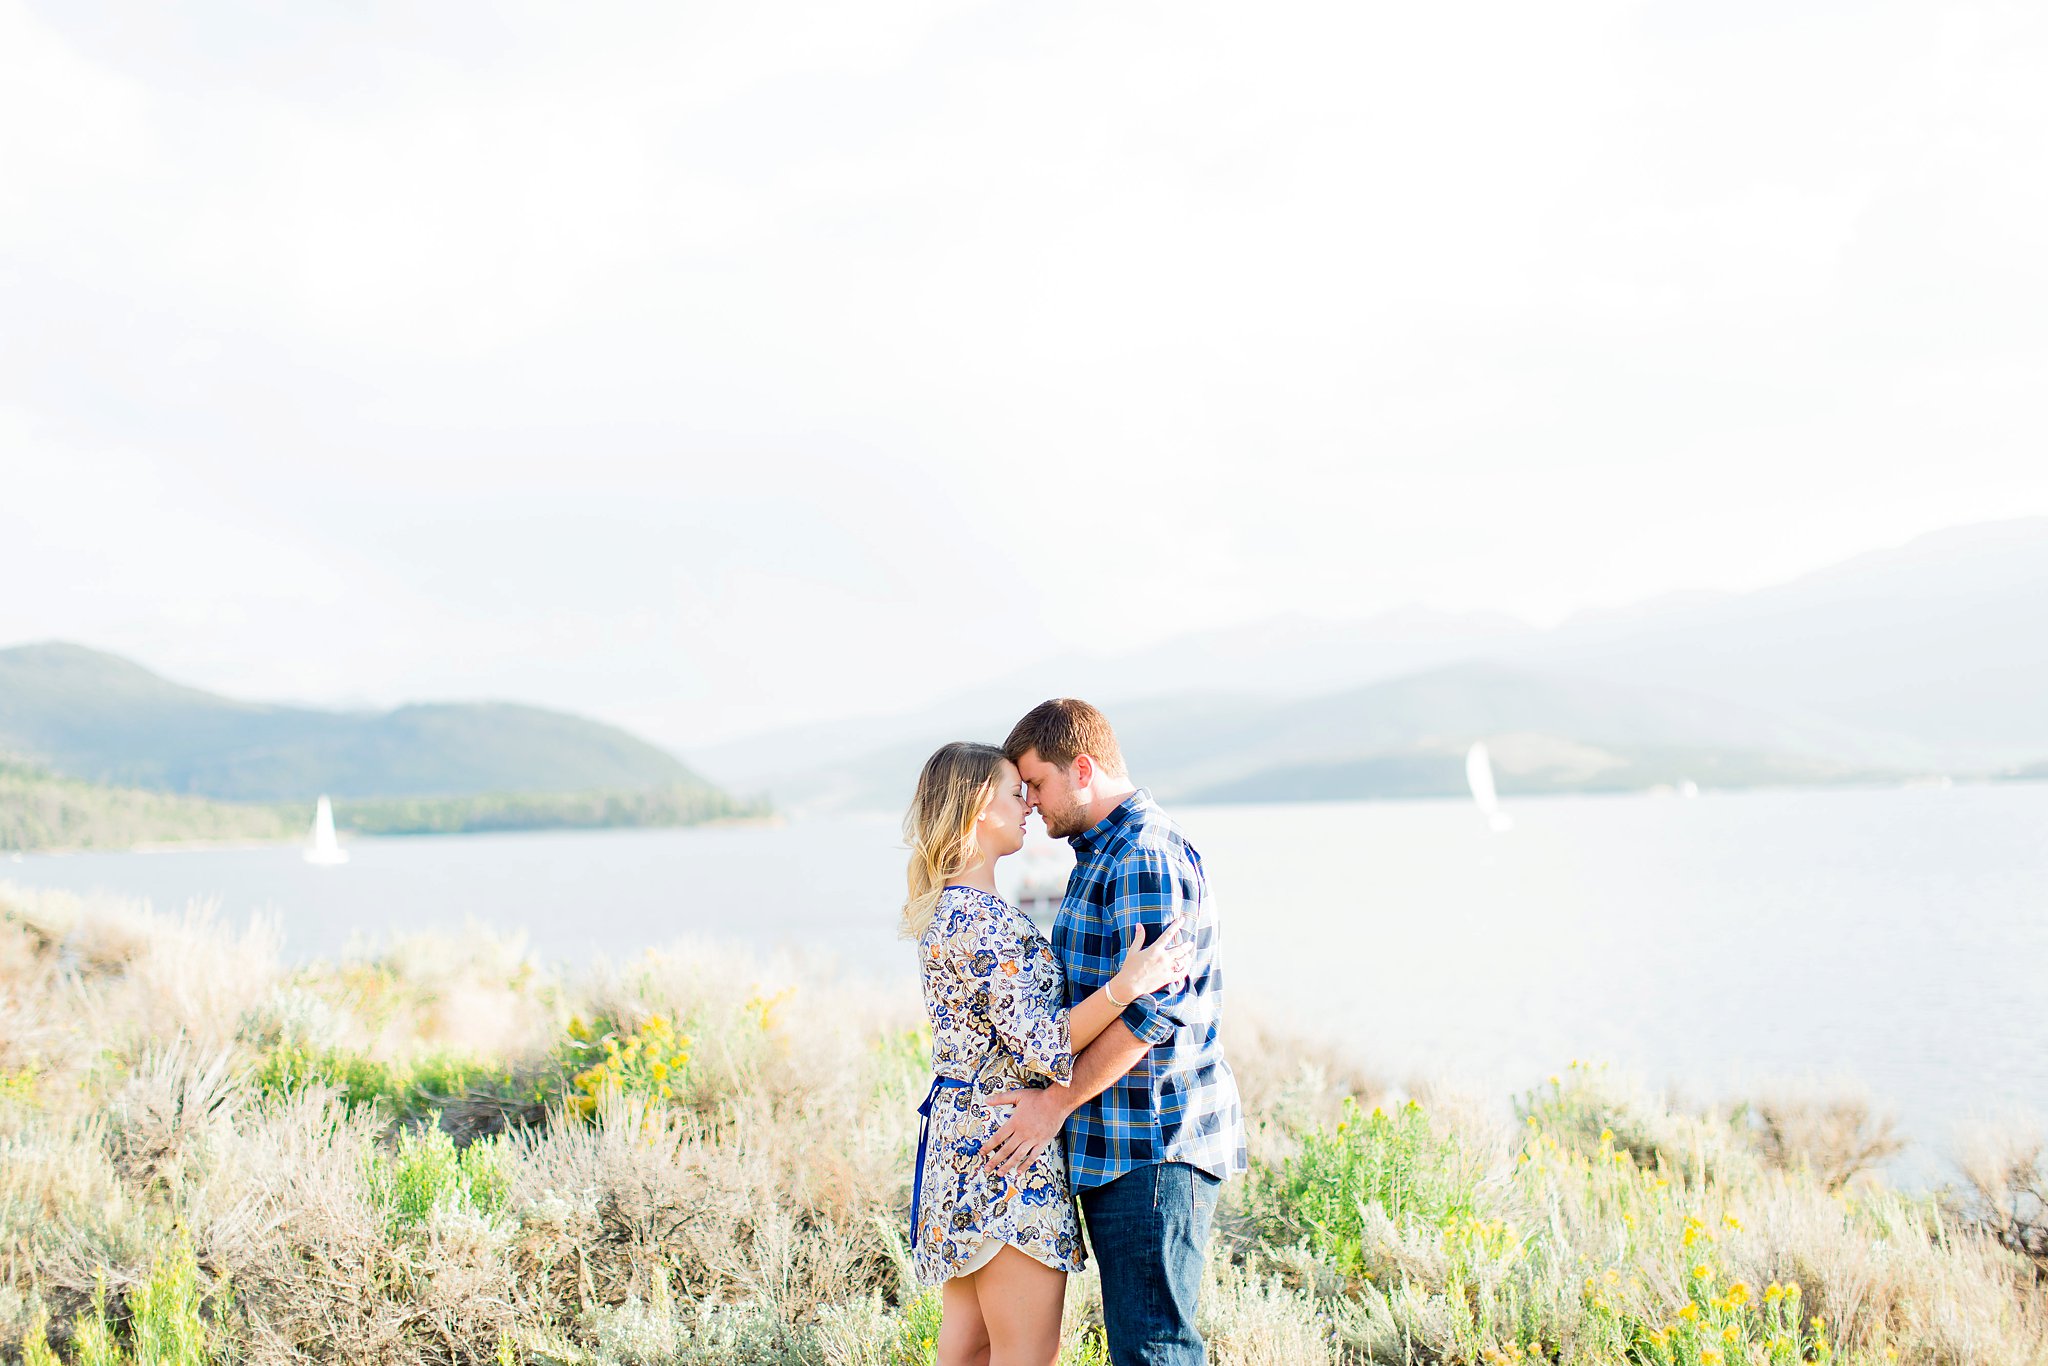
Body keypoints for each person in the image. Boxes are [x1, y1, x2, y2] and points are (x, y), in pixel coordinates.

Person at [902, 741, 1194, 1366]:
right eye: (1016, 793)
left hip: (966, 1142)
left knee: (970, 1346)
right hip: (1006, 1148)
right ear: (978, 810)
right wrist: (1126, 986)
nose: (1029, 806)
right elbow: (1044, 1047)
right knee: (1025, 1353)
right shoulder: (979, 919)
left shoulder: (958, 910)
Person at [982, 700, 1245, 1366]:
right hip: (1120, 1148)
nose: (1031, 802)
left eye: (1035, 783)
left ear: (1082, 768)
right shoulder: (1101, 852)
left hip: (1153, 1143)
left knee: (1153, 1348)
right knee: (1138, 1345)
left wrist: (1053, 1106)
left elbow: (1152, 1017)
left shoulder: (1143, 854)